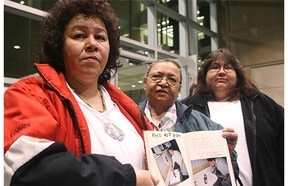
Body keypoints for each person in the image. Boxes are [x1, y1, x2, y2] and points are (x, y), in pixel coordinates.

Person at [4, 0, 159, 185]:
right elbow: (31, 169)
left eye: (100, 37)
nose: (92, 44)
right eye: (79, 35)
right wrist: (127, 177)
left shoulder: (126, 107)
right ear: (59, 45)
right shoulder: (30, 95)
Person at [182, 48, 284, 186]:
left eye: (228, 67)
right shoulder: (188, 109)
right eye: (214, 67)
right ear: (204, 75)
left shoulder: (261, 103)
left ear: (238, 74)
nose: (222, 72)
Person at [138, 58, 239, 180]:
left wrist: (227, 153)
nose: (163, 83)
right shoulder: (127, 118)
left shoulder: (202, 124)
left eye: (172, 79)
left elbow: (229, 175)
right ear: (145, 82)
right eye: (157, 77)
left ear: (179, 88)